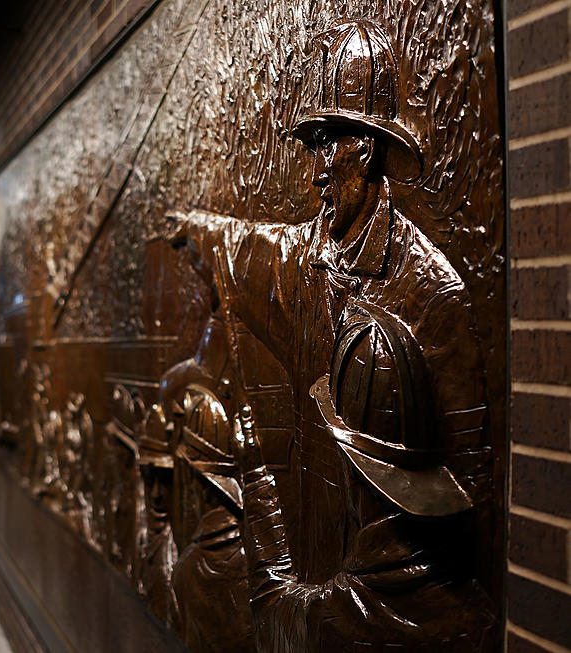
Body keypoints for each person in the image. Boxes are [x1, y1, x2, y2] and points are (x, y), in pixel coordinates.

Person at [165, 21, 495, 651]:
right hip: (315, 540)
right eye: (311, 145)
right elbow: (244, 246)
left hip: (387, 581)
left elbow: (467, 486)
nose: (315, 168)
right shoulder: (308, 257)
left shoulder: (433, 294)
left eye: (326, 145)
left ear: (364, 151)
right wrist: (197, 229)